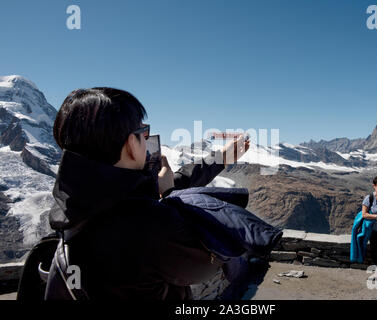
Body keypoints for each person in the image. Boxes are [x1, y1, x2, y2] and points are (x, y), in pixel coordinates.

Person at [45, 87, 249, 300]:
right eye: (144, 133)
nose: (148, 140)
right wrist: (169, 195)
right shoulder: (147, 223)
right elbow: (207, 264)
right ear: (131, 144)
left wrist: (220, 158)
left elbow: (167, 185)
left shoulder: (79, 200)